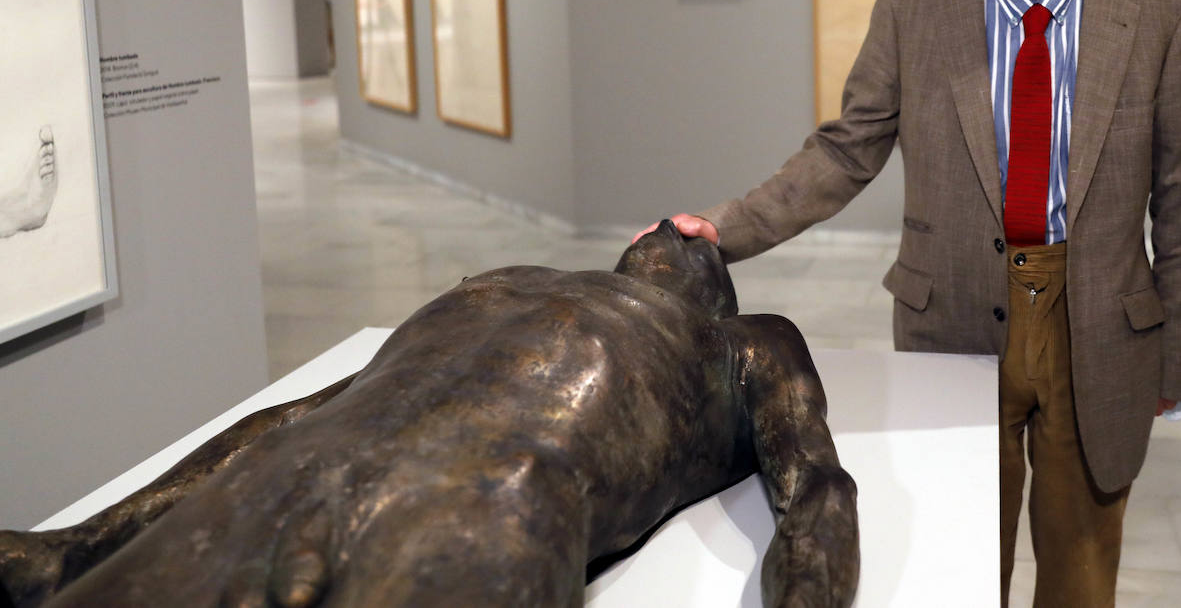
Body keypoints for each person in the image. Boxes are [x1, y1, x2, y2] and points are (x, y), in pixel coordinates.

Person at [643, 0, 1181, 606]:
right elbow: (847, 150)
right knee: (962, 552)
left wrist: (1179, 348)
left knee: (1083, 562)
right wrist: (723, 230)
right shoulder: (914, 2)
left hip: (1101, 325)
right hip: (951, 313)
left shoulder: (1160, 11)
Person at [0, 220, 859, 608]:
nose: (678, 231)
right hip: (297, 471)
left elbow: (816, 492)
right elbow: (299, 413)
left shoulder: (739, 346)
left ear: (713, 292)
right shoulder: (501, 283)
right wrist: (76, 545)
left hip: (490, 502)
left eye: (699, 244)